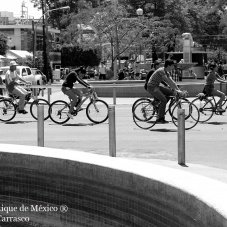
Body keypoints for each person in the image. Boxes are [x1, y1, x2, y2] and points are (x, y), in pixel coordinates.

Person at [146, 59, 183, 124]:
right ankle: (160, 118)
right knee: (164, 100)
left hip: (157, 86)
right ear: (168, 66)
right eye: (172, 66)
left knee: (170, 93)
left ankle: (159, 106)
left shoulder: (167, 72)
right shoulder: (161, 70)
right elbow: (168, 81)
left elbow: (172, 82)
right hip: (152, 87)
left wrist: (178, 90)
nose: (173, 67)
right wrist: (177, 90)